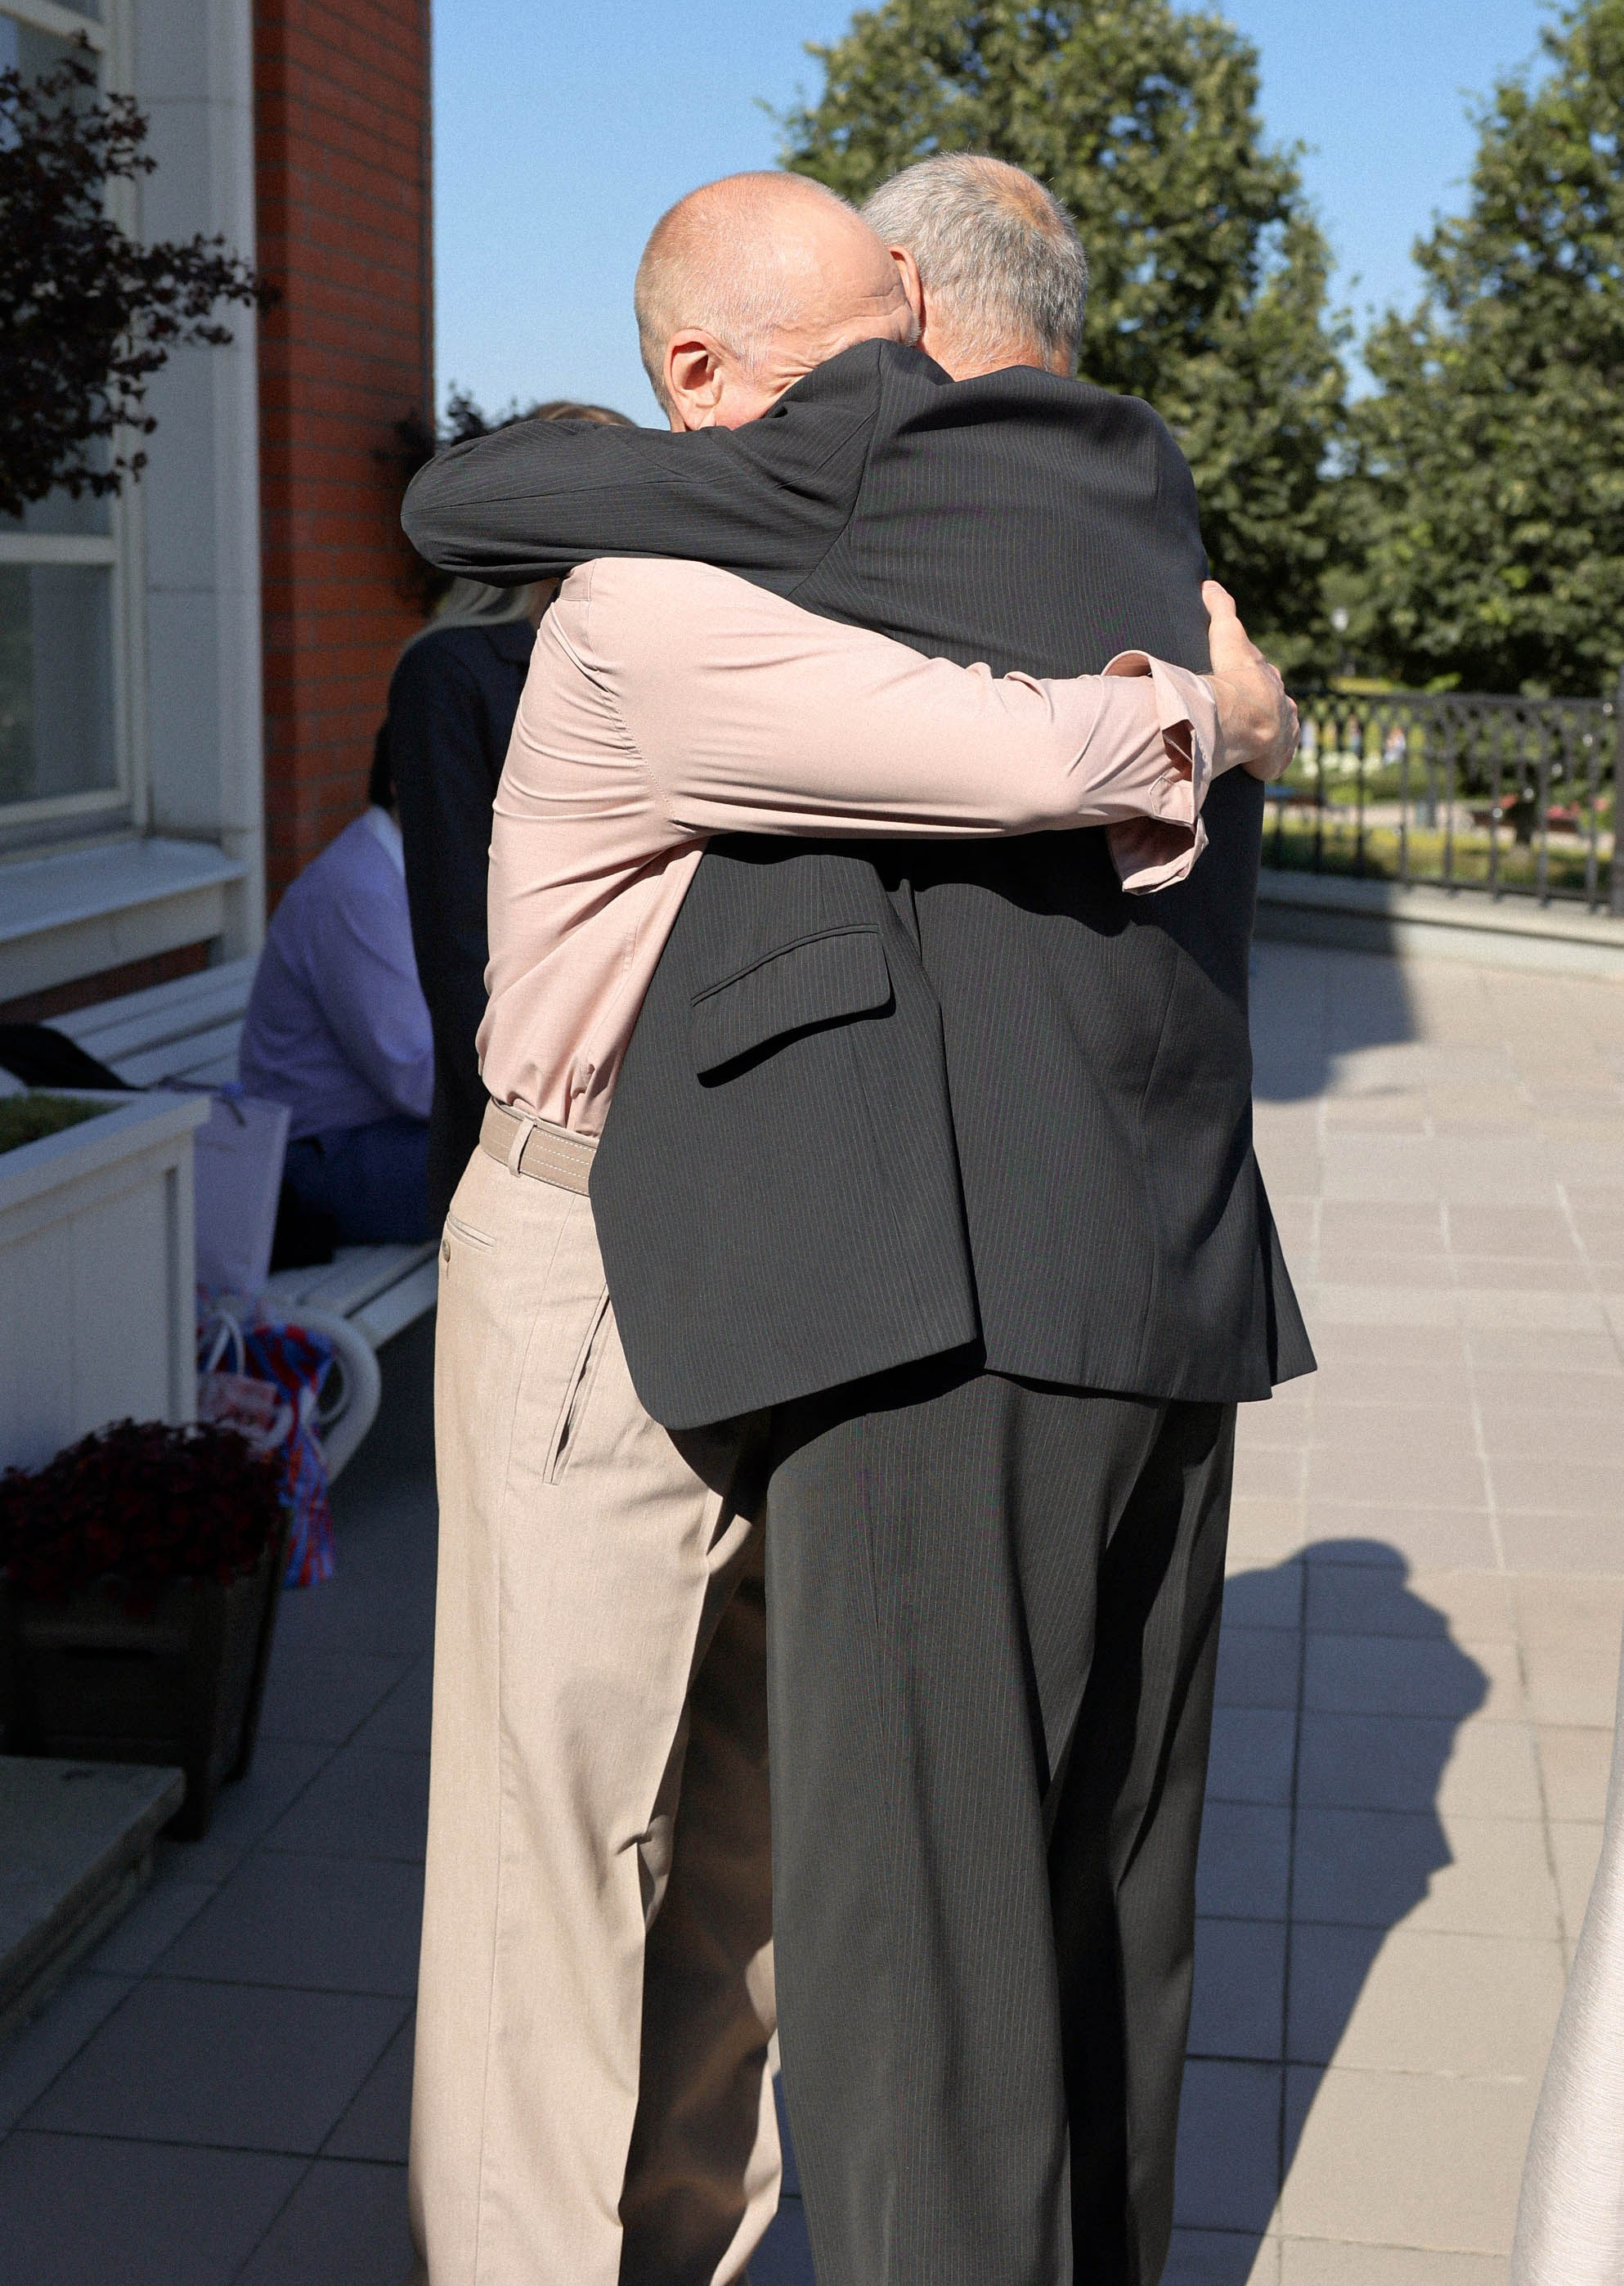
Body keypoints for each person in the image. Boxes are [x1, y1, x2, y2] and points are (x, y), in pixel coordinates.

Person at [402, 166, 1300, 2286]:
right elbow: (989, 753)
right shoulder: (652, 598)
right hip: (583, 1276)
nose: (893, 423)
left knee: (740, 1884)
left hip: (757, 1258)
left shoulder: (790, 546)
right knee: (565, 1887)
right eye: (844, 381)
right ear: (705, 382)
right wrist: (1206, 713)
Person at [389, 399, 632, 1224]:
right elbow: (457, 934)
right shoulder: (451, 673)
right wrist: (514, 1136)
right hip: (528, 1135)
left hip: (653, 1110)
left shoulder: (655, 657)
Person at [240, 723, 433, 1244]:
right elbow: (414, 1077)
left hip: (377, 1136)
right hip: (315, 1156)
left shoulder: (405, 870)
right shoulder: (360, 891)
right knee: (525, 1172)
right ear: (400, 782)